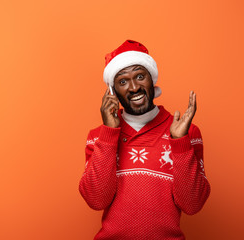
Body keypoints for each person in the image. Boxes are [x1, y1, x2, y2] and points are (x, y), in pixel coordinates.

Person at [79, 40, 210, 239]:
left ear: (152, 79)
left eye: (140, 76)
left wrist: (180, 142)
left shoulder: (186, 132)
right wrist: (109, 133)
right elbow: (96, 200)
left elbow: (192, 205)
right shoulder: (99, 136)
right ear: (112, 91)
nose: (133, 87)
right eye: (122, 81)